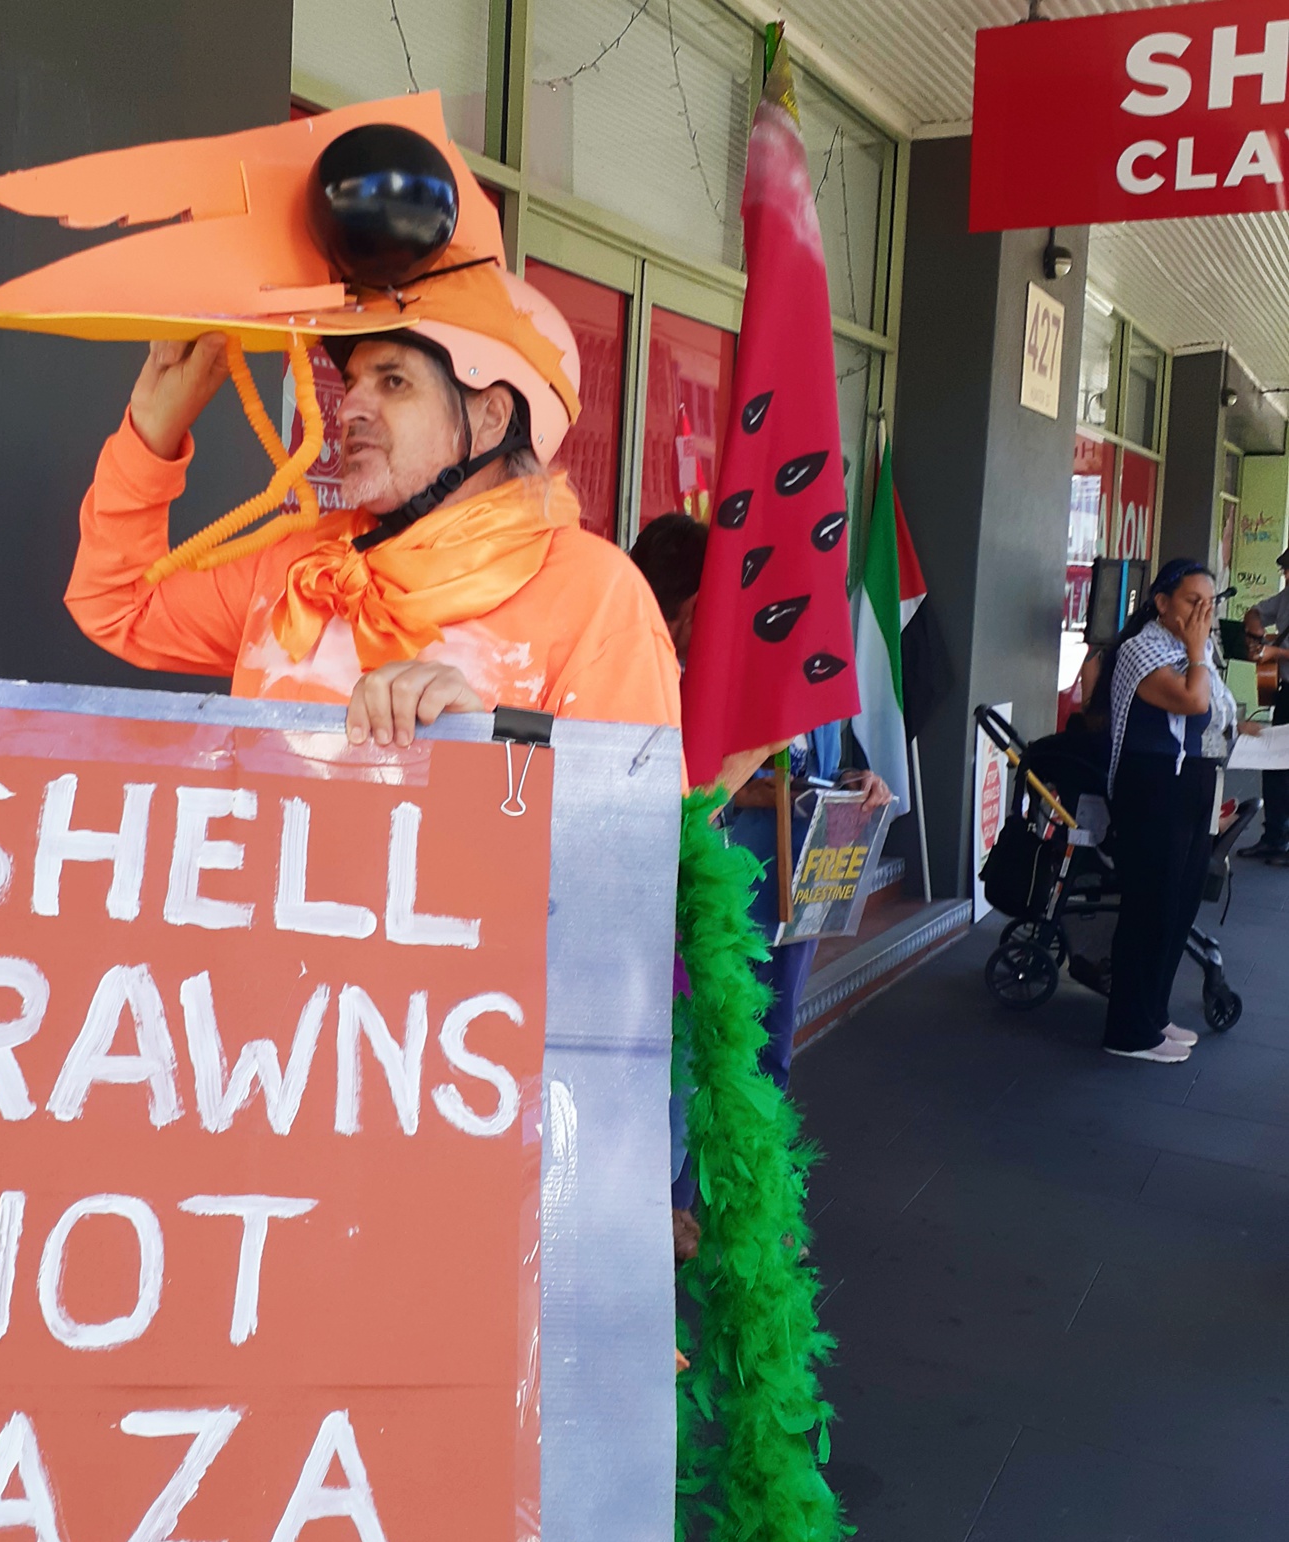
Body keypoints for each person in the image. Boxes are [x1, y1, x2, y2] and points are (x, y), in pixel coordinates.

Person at [66, 265, 681, 743]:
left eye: (394, 382)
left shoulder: (599, 598)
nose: (351, 407)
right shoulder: (303, 562)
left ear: (492, 419)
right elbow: (119, 607)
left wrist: (489, 744)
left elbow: (642, 862)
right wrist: (150, 433)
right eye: (353, 382)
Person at [630, 513, 889, 1237]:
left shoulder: (821, 675)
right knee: (694, 1047)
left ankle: (734, 1189)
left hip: (802, 883)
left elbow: (835, 763)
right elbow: (677, 791)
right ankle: (669, 1207)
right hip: (713, 890)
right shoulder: (654, 668)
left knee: (765, 1042)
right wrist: (748, 784)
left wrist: (858, 781)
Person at [1101, 559, 1236, 1063]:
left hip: (1191, 784)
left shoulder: (1189, 650)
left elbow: (1218, 711)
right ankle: (1128, 1031)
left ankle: (1154, 1015)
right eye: (1192, 603)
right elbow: (1191, 702)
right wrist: (1199, 650)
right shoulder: (1143, 650)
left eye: (1210, 604)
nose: (1203, 614)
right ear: (1161, 603)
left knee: (1178, 907)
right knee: (1149, 907)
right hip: (1153, 785)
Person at [1239, 545, 1289, 862]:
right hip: (1286, 689)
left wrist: (1278, 653)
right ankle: (1274, 836)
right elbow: (1255, 610)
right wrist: (1257, 632)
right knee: (1276, 765)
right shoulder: (1286, 596)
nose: (1286, 576)